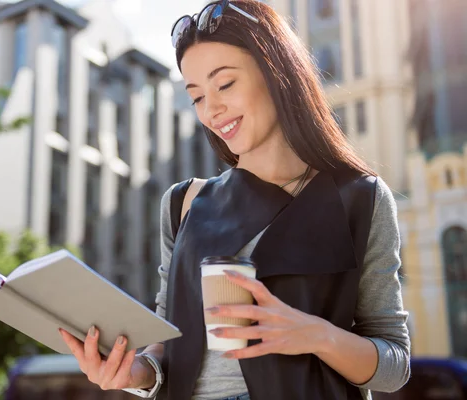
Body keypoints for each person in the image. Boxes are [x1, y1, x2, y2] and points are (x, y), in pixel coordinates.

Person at [59, 1, 411, 399]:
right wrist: (134, 372)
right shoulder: (184, 203)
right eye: (196, 97)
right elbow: (168, 338)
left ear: (276, 72)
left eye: (224, 84)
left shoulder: (360, 198)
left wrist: (317, 336)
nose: (212, 110)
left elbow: (394, 366)